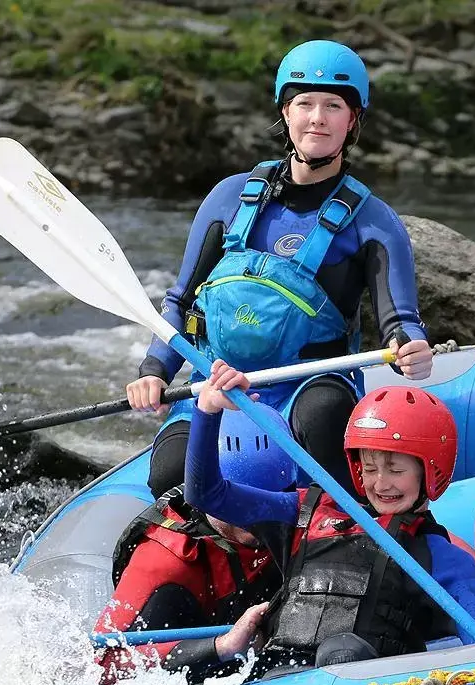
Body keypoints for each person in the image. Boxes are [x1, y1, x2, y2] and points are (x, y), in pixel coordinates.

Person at [125, 39, 435, 498]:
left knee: (323, 419)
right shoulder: (229, 197)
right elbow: (181, 302)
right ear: (285, 113)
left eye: (333, 105)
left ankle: (325, 538)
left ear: (352, 120)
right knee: (170, 478)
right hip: (215, 382)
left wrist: (410, 347)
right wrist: (154, 369)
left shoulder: (373, 221)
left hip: (309, 386)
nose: (318, 117)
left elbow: (400, 320)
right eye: (304, 104)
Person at [180, 360, 475, 676]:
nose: (381, 483)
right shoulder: (305, 512)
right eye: (370, 469)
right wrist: (207, 412)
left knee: (343, 650)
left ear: (431, 470)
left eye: (396, 470)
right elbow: (205, 494)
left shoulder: (444, 557)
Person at [94, 407, 295, 685]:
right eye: (241, 503)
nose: (257, 517)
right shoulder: (163, 560)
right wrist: (221, 646)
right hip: (191, 677)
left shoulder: (297, 512)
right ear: (217, 495)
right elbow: (105, 663)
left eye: (270, 499)